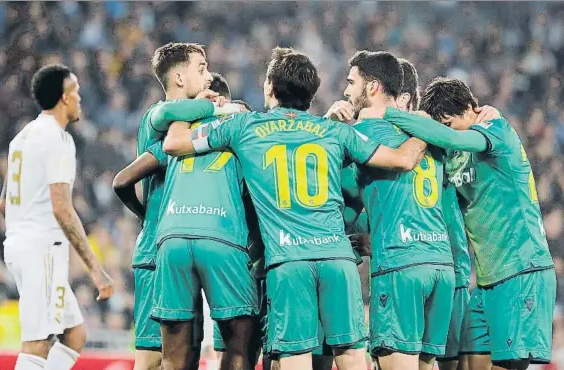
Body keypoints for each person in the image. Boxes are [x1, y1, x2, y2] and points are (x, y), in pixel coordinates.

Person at [160, 46, 427, 370]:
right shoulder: (335, 131)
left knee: (295, 359)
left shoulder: (244, 127)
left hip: (289, 262)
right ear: (311, 94)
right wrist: (421, 125)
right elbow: (403, 159)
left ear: (270, 87)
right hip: (337, 260)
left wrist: (196, 105)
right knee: (353, 358)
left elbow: (174, 142)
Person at [382, 77, 556, 370]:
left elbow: (452, 138)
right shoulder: (454, 153)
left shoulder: (496, 130)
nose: (443, 133)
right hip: (487, 283)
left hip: (522, 272)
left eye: (448, 124)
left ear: (469, 108)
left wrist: (384, 112)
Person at [114, 69, 258, 370]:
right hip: (224, 240)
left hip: (168, 240)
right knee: (235, 345)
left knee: (172, 354)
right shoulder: (241, 132)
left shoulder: (180, 136)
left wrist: (148, 217)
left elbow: (122, 179)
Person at [338, 51, 456, 370]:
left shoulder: (361, 133)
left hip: (401, 267)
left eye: (351, 83)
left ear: (373, 87)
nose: (346, 91)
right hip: (441, 266)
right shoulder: (428, 136)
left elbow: (335, 195)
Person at [0, 64, 114, 370]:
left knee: (75, 335)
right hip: (41, 248)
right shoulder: (58, 139)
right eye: (76, 92)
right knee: (37, 343)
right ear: (64, 98)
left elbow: (3, 205)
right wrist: (95, 268)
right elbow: (61, 207)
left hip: (21, 245)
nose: (80, 99)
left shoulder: (22, 138)